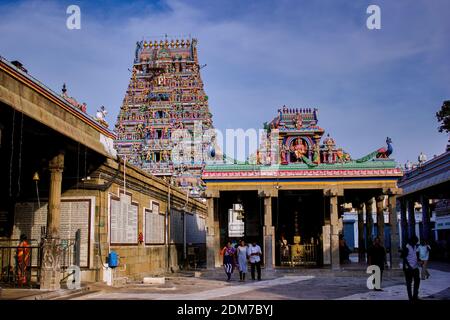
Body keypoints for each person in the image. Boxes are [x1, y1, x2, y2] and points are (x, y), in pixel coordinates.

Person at [401, 236, 421, 301]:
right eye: (416, 241)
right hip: (408, 268)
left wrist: (418, 261)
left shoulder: (415, 246)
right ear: (412, 241)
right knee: (409, 283)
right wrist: (408, 266)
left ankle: (415, 295)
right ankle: (410, 297)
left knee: (417, 281)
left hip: (415, 267)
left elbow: (414, 255)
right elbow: (404, 258)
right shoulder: (407, 247)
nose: (416, 242)